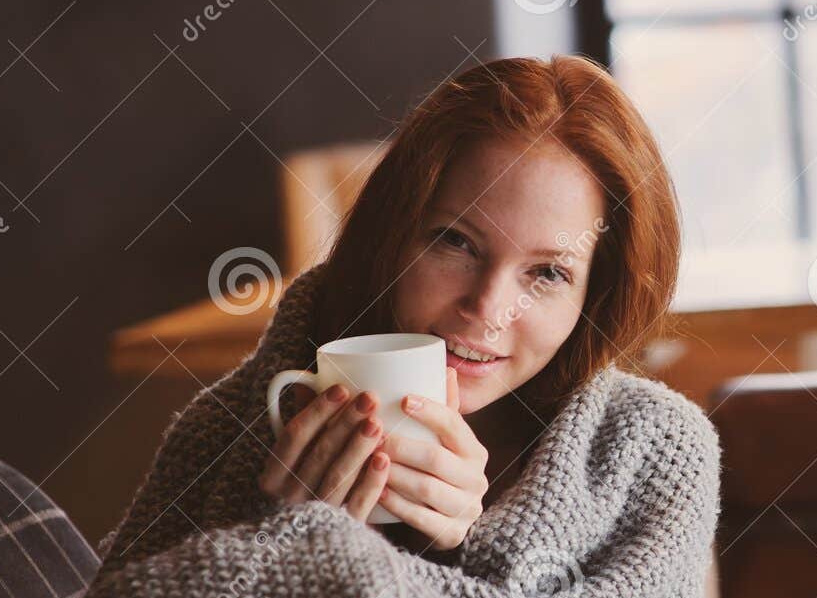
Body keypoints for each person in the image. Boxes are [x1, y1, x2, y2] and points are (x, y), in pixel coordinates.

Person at [254, 54, 682, 559]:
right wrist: (275, 541)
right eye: (456, 242)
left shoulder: (656, 457)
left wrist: (457, 554)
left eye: (548, 273)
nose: (488, 309)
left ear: (597, 295)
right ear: (392, 235)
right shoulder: (233, 428)